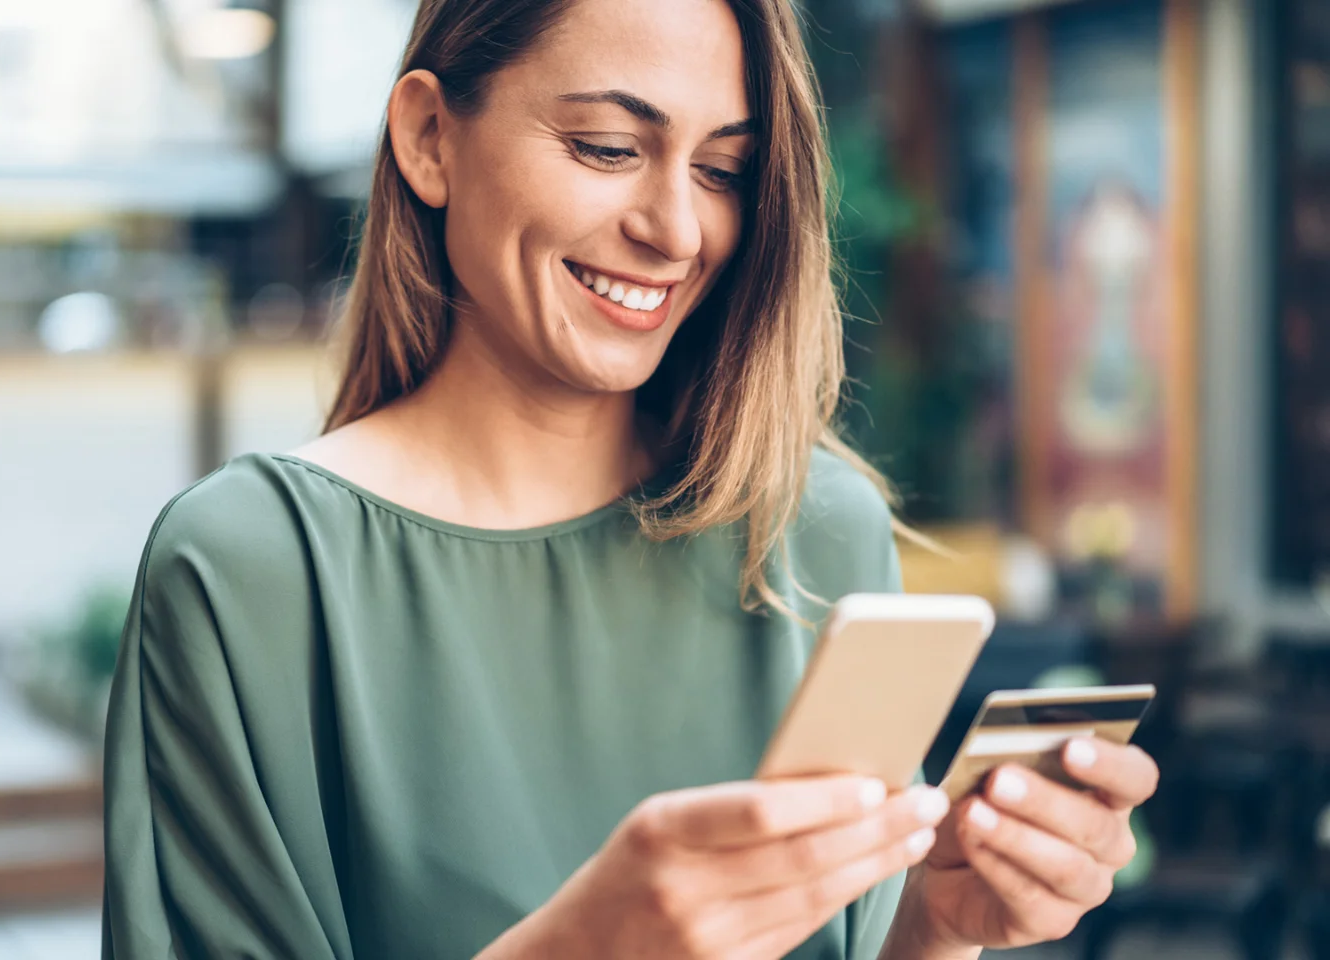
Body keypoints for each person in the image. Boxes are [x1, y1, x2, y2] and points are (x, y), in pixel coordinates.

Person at [101, 1, 1159, 957]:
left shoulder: (810, 530)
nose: (676, 230)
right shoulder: (253, 568)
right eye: (607, 148)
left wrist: (937, 926)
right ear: (430, 139)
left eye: (722, 170)